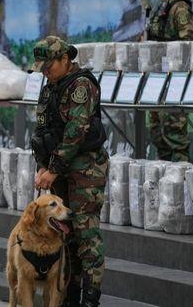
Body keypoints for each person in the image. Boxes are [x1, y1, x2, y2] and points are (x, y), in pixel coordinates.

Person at [31, 36, 108, 307]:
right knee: (66, 234)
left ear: (65, 60)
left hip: (85, 169)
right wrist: (42, 164)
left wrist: (53, 169)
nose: (44, 72)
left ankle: (90, 299)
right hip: (58, 168)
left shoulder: (81, 85)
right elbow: (41, 128)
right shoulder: (49, 87)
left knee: (86, 233)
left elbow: (76, 132)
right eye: (41, 67)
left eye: (48, 66)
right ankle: (69, 297)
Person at [145, 0, 193, 162]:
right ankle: (167, 182)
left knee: (174, 136)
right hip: (158, 80)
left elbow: (189, 44)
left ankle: (181, 182)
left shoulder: (179, 8)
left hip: (174, 82)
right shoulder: (160, 8)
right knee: (158, 134)